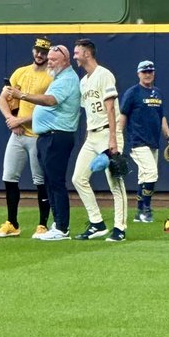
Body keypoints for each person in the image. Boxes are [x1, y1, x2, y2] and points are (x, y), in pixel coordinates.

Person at [7, 44, 80, 241]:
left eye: (54, 59)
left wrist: (22, 95)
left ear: (65, 60)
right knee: (49, 181)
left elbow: (51, 100)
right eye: (50, 59)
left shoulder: (67, 78)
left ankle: (62, 227)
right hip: (48, 136)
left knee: (55, 182)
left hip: (57, 135)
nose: (50, 62)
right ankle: (57, 224)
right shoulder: (59, 77)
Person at [0, 36, 53, 238]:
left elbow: (48, 108)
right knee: (9, 177)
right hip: (18, 134)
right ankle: (12, 223)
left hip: (37, 134)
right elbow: (2, 99)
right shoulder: (21, 72)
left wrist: (20, 120)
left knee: (40, 180)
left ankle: (43, 224)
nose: (39, 55)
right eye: (37, 51)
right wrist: (11, 119)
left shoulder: (51, 77)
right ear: (33, 51)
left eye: (44, 52)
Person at [71, 39, 128, 243]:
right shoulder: (83, 81)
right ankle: (97, 223)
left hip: (108, 133)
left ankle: (120, 228)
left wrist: (113, 139)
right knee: (78, 178)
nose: (75, 56)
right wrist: (89, 136)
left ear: (87, 53)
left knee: (115, 182)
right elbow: (89, 112)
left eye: (77, 52)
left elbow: (110, 108)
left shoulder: (104, 74)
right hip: (92, 135)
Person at [118, 59, 169, 224]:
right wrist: (117, 138)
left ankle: (139, 212)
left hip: (153, 141)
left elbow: (161, 117)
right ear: (138, 74)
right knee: (151, 173)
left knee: (144, 176)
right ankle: (146, 210)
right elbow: (123, 116)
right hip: (137, 141)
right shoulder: (133, 92)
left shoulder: (158, 93)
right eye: (144, 71)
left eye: (150, 71)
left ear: (154, 73)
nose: (147, 74)